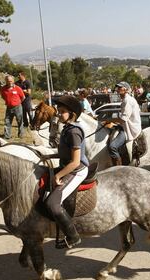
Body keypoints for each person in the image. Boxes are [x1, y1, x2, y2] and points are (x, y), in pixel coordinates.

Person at [45, 95, 89, 249]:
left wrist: (58, 175)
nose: (58, 114)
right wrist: (49, 155)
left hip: (77, 170)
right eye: (58, 110)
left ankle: (73, 237)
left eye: (62, 111)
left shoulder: (73, 132)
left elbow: (75, 161)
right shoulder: (67, 129)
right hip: (67, 165)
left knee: (53, 204)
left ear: (72, 114)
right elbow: (66, 153)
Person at [103, 81, 142, 166]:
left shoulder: (127, 100)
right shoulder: (127, 99)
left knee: (112, 147)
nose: (118, 90)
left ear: (126, 90)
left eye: (120, 88)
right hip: (125, 126)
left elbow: (123, 119)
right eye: (118, 88)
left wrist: (109, 120)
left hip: (129, 129)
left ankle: (119, 166)